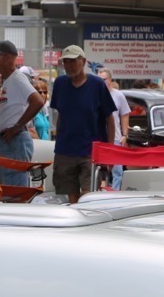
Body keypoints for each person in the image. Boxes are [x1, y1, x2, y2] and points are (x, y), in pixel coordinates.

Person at [49, 45, 116, 204]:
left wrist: (109, 152)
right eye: (66, 62)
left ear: (83, 62)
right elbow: (61, 115)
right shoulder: (60, 83)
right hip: (65, 151)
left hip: (90, 152)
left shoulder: (97, 84)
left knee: (87, 198)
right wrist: (58, 143)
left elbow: (110, 118)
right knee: (70, 199)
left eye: (73, 61)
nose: (69, 65)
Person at [0, 40, 44, 186]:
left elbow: (37, 101)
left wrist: (17, 127)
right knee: (9, 188)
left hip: (14, 141)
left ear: (7, 57)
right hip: (9, 141)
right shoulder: (11, 80)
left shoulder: (17, 78)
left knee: (15, 189)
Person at [95, 68, 132, 189]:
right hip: (98, 137)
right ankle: (96, 191)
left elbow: (124, 114)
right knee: (97, 168)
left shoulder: (118, 95)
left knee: (117, 170)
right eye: (99, 80)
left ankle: (115, 192)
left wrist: (125, 135)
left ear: (110, 80)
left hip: (115, 137)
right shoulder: (94, 94)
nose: (101, 82)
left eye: (104, 79)